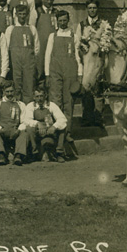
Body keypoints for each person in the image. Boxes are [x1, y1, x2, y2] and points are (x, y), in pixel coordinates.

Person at [44, 8, 82, 160]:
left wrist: (79, 75)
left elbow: (78, 57)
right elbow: (47, 56)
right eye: (60, 21)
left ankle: (66, 134)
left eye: (65, 20)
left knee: (69, 104)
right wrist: (47, 74)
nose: (63, 23)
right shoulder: (52, 36)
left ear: (68, 20)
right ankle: (55, 136)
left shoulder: (74, 36)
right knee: (55, 103)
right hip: (55, 73)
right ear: (57, 21)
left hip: (71, 73)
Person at [22, 83, 68, 163]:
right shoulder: (31, 106)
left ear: (45, 96)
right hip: (38, 133)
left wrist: (54, 126)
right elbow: (26, 120)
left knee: (62, 127)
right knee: (29, 128)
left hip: (49, 131)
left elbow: (63, 119)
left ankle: (59, 153)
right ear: (34, 97)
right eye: (37, 96)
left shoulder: (51, 105)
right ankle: (34, 153)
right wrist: (37, 124)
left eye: (41, 96)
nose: (39, 99)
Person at [3, 4, 39, 103]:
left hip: (29, 63)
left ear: (27, 15)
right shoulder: (10, 29)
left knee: (29, 86)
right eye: (20, 14)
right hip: (15, 63)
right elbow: (6, 48)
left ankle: (28, 112)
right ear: (16, 15)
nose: (22, 16)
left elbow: (36, 49)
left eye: (24, 14)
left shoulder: (32, 29)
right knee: (16, 86)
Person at [0, 80, 25, 165]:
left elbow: (24, 121)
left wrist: (18, 130)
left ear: (14, 91)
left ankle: (18, 156)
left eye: (11, 91)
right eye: (7, 92)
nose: (10, 94)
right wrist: (0, 129)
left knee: (24, 133)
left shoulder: (20, 104)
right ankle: (1, 156)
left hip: (15, 130)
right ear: (3, 92)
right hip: (3, 130)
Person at [77, 0, 104, 126]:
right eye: (90, 8)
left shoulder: (104, 25)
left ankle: (98, 117)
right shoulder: (82, 25)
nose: (92, 10)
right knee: (86, 87)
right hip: (86, 60)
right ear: (86, 9)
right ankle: (87, 117)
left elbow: (106, 43)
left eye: (94, 7)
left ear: (97, 9)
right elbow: (78, 42)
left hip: (98, 60)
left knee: (98, 87)